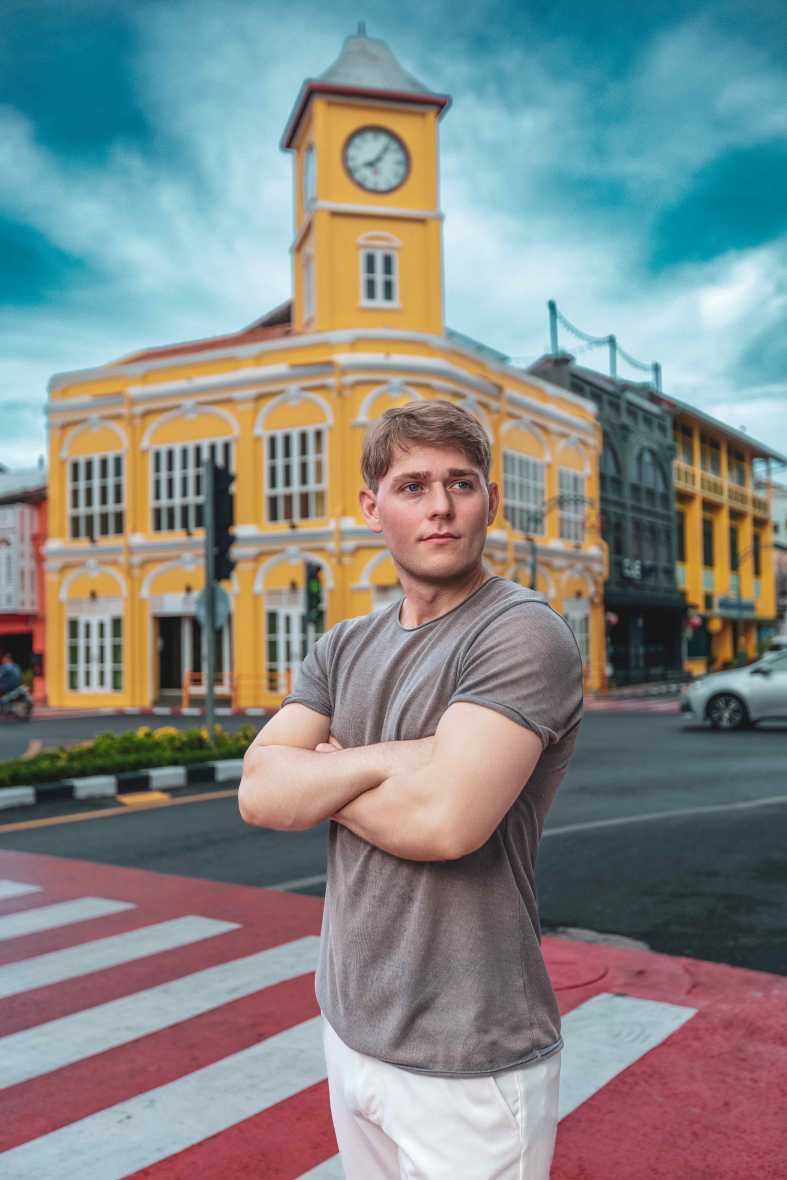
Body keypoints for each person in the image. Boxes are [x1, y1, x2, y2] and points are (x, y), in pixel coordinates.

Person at [239, 399, 583, 1178]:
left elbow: (444, 822)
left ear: (489, 501)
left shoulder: (520, 632)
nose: (439, 507)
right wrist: (405, 757)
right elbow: (260, 792)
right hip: (352, 1024)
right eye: (413, 485)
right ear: (372, 507)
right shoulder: (342, 646)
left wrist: (327, 768)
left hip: (470, 1055)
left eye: (461, 484)